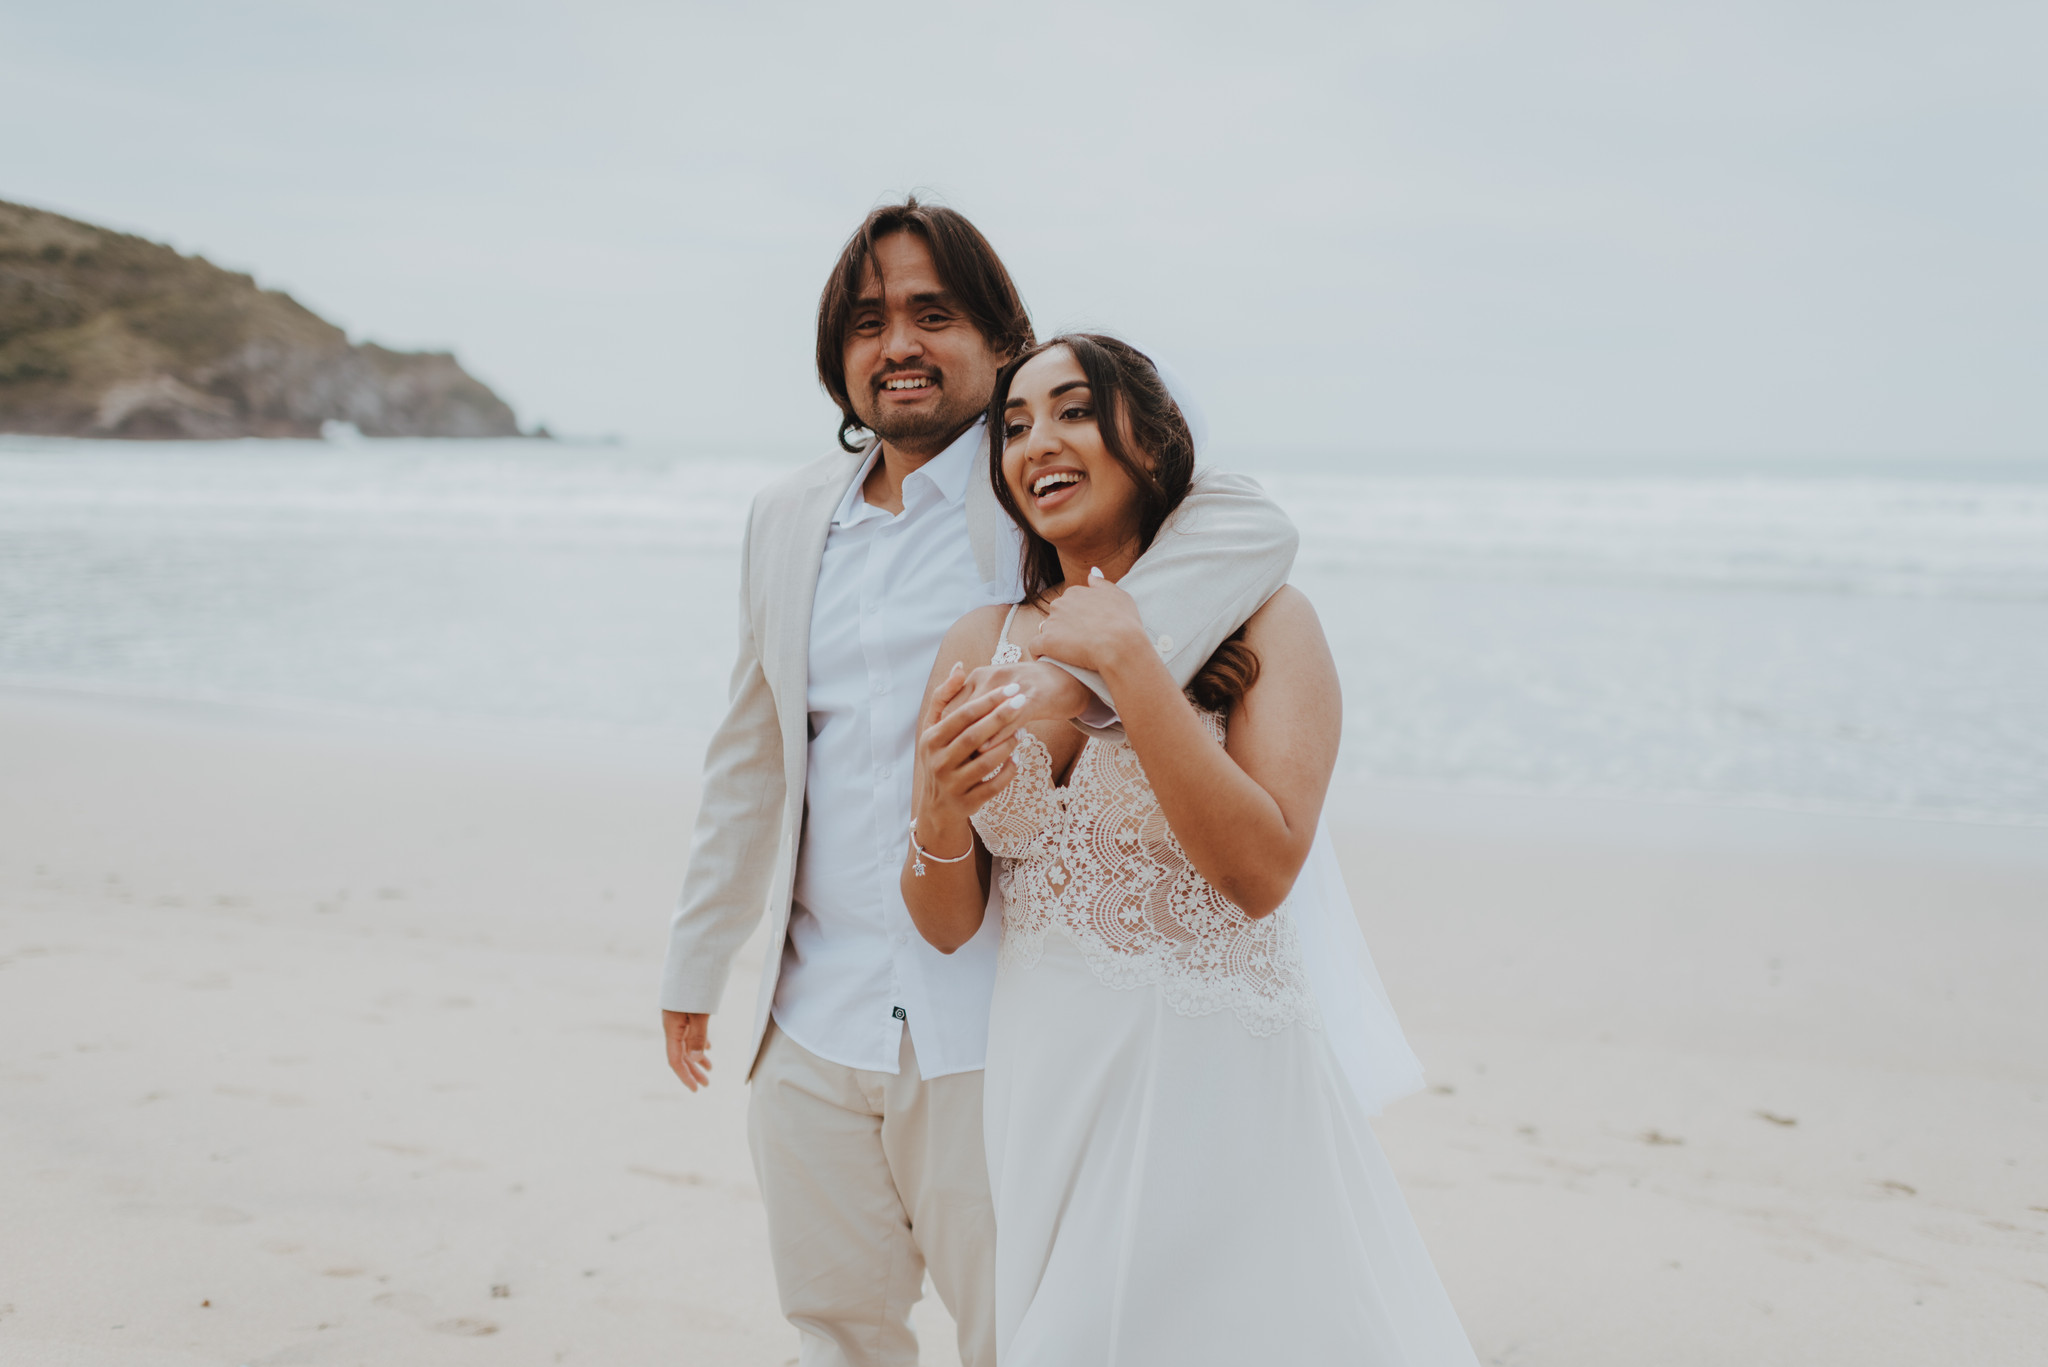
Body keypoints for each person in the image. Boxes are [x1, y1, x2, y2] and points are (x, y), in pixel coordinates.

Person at [658, 200, 1298, 1367]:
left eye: (930, 312)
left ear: (1001, 334)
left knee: (1018, 1339)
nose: (894, 342)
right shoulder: (787, 518)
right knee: (831, 1328)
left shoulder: (1035, 483)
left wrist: (1059, 687)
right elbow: (750, 749)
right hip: (807, 1017)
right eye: (865, 321)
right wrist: (697, 959)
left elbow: (1251, 523)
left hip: (992, 1024)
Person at [902, 334, 1480, 1365]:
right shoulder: (976, 643)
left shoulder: (1270, 623)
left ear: (1152, 442)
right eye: (1016, 423)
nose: (1038, 440)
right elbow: (945, 922)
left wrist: (1127, 661)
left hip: (1217, 1084)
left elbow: (1260, 873)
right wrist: (940, 815)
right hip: (1049, 1089)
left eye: (1073, 409)